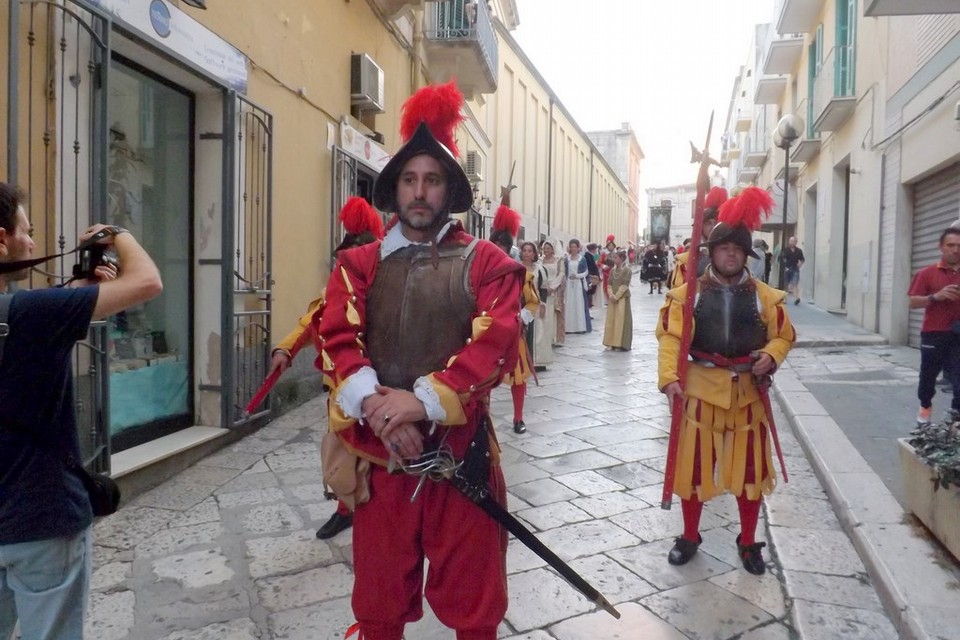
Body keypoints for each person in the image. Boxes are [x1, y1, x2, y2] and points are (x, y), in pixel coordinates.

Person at [315, 82, 523, 639]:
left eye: (432, 179)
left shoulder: (489, 263)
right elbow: (337, 340)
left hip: (460, 458)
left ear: (448, 189)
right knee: (379, 605)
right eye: (409, 179)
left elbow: (495, 345)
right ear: (395, 188)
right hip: (381, 460)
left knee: (475, 606)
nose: (420, 191)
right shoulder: (358, 264)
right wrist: (386, 416)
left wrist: (419, 404)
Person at [0, 181, 162, 640]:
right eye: (24, 232)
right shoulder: (29, 314)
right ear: (1, 238)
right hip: (42, 519)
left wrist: (76, 294)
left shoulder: (32, 313)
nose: (32, 243)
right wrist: (117, 233)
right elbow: (147, 281)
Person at [657, 186, 795, 576]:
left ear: (745, 255)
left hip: (748, 396)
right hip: (700, 392)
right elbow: (669, 338)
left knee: (751, 475)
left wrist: (770, 355)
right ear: (712, 253)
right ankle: (689, 535)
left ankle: (749, 541)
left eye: (737, 249)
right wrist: (669, 379)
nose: (730, 254)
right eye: (723, 248)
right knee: (695, 471)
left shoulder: (766, 297)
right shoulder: (687, 296)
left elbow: (784, 335)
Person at [267, 196, 384, 540]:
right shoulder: (338, 285)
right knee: (344, 449)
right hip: (339, 385)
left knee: (369, 450)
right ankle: (346, 509)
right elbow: (313, 320)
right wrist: (285, 348)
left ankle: (366, 510)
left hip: (378, 383)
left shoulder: (383, 288)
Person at [490, 207, 539, 434]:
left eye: (503, 248)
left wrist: (522, 318)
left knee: (518, 376)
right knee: (479, 379)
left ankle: (518, 418)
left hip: (511, 331)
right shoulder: (476, 271)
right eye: (495, 247)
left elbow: (532, 302)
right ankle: (483, 419)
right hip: (484, 333)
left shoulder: (521, 274)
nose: (499, 252)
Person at [907, 226, 960, 426]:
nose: (955, 250)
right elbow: (913, 302)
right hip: (934, 333)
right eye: (951, 245)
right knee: (928, 377)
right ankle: (925, 407)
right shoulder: (927, 273)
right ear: (941, 247)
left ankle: (955, 418)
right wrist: (936, 297)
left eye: (959, 246)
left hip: (958, 334)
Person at [670, 187, 727, 289]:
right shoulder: (690, 254)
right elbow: (680, 287)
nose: (713, 226)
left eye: (716, 222)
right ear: (701, 227)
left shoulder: (728, 252)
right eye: (709, 223)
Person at [602, 249, 632, 351]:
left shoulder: (627, 270)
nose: (614, 259)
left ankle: (620, 343)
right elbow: (609, 283)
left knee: (620, 320)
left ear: (622, 258)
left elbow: (625, 285)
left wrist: (617, 296)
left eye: (616, 257)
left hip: (622, 298)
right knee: (611, 320)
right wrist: (610, 294)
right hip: (612, 298)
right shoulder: (612, 270)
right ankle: (610, 342)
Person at [541, 238, 566, 345]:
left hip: (554, 289)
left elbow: (561, 274)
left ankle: (553, 337)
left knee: (553, 313)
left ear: (553, 250)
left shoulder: (558, 260)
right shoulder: (540, 260)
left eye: (548, 248)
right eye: (545, 248)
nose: (546, 250)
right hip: (543, 287)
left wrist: (553, 287)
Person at [564, 238, 589, 334]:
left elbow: (586, 272)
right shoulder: (567, 259)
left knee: (578, 303)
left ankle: (580, 327)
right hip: (569, 284)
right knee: (569, 304)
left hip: (578, 284)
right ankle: (568, 327)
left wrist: (577, 276)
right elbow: (564, 271)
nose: (573, 249)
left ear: (578, 248)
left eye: (575, 247)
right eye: (571, 247)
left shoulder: (582, 259)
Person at [780, 236, 805, 304]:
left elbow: (802, 259)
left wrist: (800, 265)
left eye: (794, 241)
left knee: (795, 283)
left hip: (795, 269)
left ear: (796, 242)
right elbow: (783, 259)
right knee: (786, 284)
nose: (792, 242)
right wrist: (785, 267)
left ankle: (796, 298)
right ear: (789, 241)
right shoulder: (785, 250)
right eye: (791, 241)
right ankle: (785, 299)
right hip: (787, 268)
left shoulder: (799, 251)